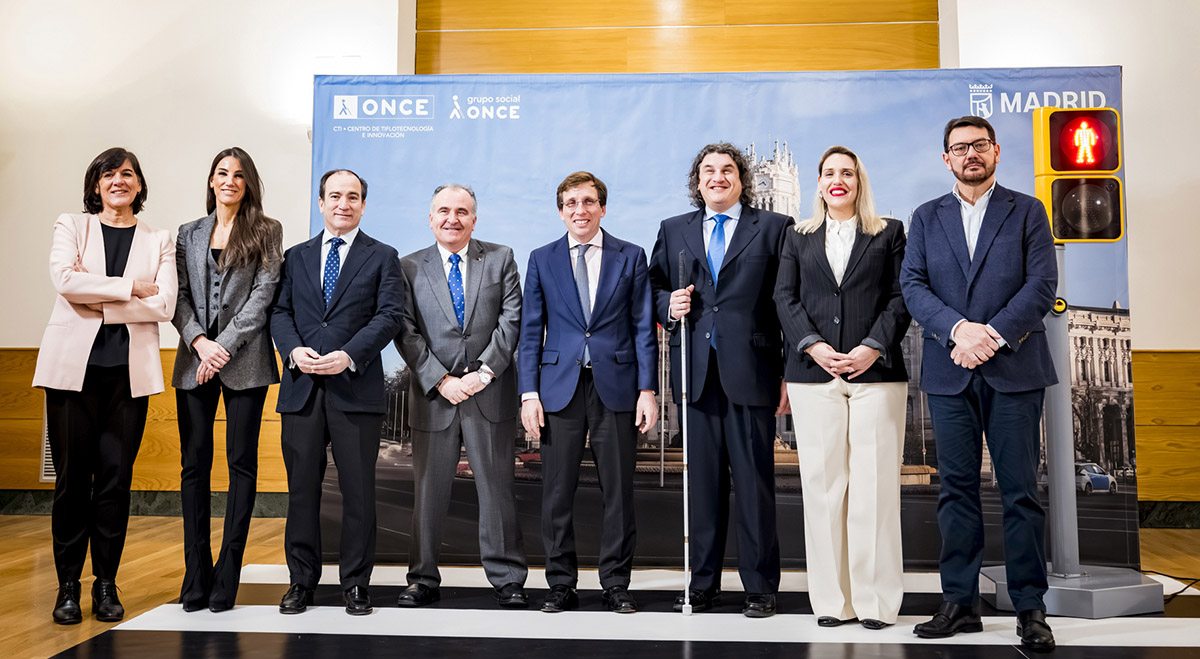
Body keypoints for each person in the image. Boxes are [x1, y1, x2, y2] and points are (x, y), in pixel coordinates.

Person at [901, 116, 1058, 652]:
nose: (970, 154)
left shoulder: (1028, 211)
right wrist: (957, 331)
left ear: (995, 152)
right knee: (957, 493)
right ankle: (959, 603)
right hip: (950, 371)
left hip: (1013, 368)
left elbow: (1042, 285)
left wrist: (990, 334)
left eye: (979, 145)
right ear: (946, 158)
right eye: (959, 148)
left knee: (1020, 494)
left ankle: (1030, 608)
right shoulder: (925, 217)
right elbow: (913, 285)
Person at [33, 147, 177, 624]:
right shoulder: (71, 226)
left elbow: (166, 305)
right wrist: (131, 288)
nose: (119, 180)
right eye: (109, 174)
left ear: (139, 185)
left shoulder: (159, 239)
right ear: (96, 184)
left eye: (128, 174)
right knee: (73, 482)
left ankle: (106, 584)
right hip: (71, 377)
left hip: (127, 378)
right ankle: (68, 587)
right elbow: (64, 279)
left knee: (115, 483)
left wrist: (100, 297)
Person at [648, 142, 791, 618]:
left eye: (727, 170)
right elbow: (651, 289)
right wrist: (668, 303)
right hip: (694, 373)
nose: (717, 178)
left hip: (752, 372)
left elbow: (788, 303)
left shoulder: (774, 228)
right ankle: (702, 583)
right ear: (698, 181)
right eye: (708, 171)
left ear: (741, 179)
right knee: (702, 489)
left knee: (754, 485)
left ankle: (760, 587)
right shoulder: (674, 230)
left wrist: (789, 373)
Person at [773, 146, 910, 629]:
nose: (838, 180)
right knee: (824, 490)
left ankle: (875, 604)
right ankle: (833, 602)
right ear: (817, 183)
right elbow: (784, 298)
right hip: (814, 376)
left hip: (876, 374)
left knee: (874, 492)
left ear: (859, 181)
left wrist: (873, 345)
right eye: (829, 172)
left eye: (847, 173)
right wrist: (811, 346)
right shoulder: (797, 236)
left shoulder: (888, 232)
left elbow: (900, 296)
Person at [518, 171, 657, 614]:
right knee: (557, 492)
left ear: (602, 207)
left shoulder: (631, 256)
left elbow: (642, 330)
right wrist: (528, 393)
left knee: (618, 492)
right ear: (561, 211)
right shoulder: (542, 259)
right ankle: (561, 583)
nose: (580, 210)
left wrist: (647, 389)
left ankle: (616, 584)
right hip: (558, 390)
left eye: (588, 202)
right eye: (571, 203)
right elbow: (529, 333)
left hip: (616, 389)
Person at [270, 169, 403, 616]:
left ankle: (355, 584)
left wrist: (349, 355)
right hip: (302, 388)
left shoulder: (383, 256)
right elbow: (280, 312)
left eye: (353, 197)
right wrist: (292, 351)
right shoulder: (296, 256)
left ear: (363, 205)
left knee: (359, 493)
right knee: (302, 492)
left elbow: (388, 316)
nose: (343, 204)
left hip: (355, 388)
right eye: (334, 196)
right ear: (321, 203)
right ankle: (301, 583)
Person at [393, 184, 528, 609]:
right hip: (435, 396)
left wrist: (483, 373)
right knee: (428, 494)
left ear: (475, 218)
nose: (453, 218)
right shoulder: (408, 266)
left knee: (498, 491)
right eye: (444, 211)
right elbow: (405, 330)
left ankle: (507, 579)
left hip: (490, 395)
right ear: (430, 218)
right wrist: (441, 379)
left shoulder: (502, 258)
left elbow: (512, 319)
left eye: (462, 211)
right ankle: (422, 578)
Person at [171, 147, 283, 613]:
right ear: (212, 181)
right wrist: (200, 342)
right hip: (194, 361)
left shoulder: (267, 231)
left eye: (239, 174)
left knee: (241, 465)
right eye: (223, 173)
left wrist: (224, 347)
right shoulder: (187, 233)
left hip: (245, 363)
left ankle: (227, 574)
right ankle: (195, 571)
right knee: (193, 468)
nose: (230, 180)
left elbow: (263, 296)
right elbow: (175, 295)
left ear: (249, 182)